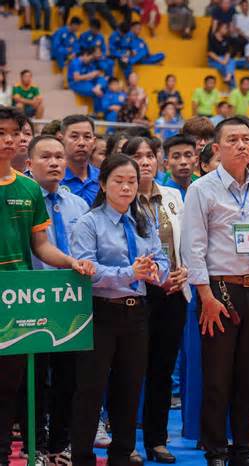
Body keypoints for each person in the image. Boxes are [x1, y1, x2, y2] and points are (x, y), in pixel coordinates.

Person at [182, 116, 249, 466]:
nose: (243, 145)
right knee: (217, 376)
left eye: (248, 139)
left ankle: (245, 448)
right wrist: (205, 297)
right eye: (234, 140)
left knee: (248, 376)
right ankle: (215, 449)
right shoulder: (202, 189)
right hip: (219, 291)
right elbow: (193, 248)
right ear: (217, 147)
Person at [0, 107, 94, 466]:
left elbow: (41, 245)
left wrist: (71, 262)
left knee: (11, 387)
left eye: (13, 132)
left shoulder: (28, 189)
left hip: (16, 302)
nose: (9, 139)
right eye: (1, 132)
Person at [70, 154, 169, 466]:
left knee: (129, 388)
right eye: (119, 181)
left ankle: (122, 454)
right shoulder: (89, 222)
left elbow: (160, 259)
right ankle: (82, 456)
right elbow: (88, 271)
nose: (127, 187)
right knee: (90, 388)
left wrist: (157, 272)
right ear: (103, 184)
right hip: (100, 312)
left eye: (132, 181)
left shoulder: (143, 220)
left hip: (137, 312)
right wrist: (130, 273)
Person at [122, 137, 191, 463]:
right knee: (131, 369)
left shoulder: (174, 196)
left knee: (163, 370)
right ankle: (127, 442)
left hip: (172, 292)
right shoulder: (121, 198)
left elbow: (189, 244)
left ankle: (157, 440)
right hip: (134, 293)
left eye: (151, 155)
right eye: (138, 156)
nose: (146, 161)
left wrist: (183, 272)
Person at [24, 134, 91, 465]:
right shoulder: (22, 200)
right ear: (29, 164)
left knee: (69, 378)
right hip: (32, 299)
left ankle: (60, 445)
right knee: (34, 379)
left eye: (58, 157)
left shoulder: (78, 205)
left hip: (71, 300)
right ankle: (34, 445)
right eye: (45, 157)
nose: (54, 163)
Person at [59, 115, 100, 206]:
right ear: (61, 140)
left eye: (87, 137)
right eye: (74, 136)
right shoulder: (53, 178)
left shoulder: (103, 178)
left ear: (94, 142)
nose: (81, 143)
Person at [67, 47, 108, 114]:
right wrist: (90, 75)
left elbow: (93, 74)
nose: (91, 60)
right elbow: (76, 78)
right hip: (76, 83)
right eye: (90, 58)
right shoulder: (75, 62)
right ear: (85, 55)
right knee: (98, 92)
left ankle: (97, 88)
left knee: (103, 79)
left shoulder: (89, 63)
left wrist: (96, 74)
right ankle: (97, 112)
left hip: (87, 81)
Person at [162, 134, 197, 199]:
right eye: (176, 157)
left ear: (196, 161)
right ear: (166, 164)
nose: (183, 162)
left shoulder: (204, 189)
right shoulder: (162, 195)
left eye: (188, 155)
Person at [208, 22, 237, 89]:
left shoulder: (226, 38)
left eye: (226, 28)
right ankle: (233, 89)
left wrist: (225, 61)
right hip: (213, 60)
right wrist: (222, 61)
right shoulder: (212, 38)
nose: (226, 30)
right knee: (226, 68)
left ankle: (228, 77)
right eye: (225, 28)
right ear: (219, 28)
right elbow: (210, 53)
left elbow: (228, 52)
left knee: (232, 61)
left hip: (224, 59)